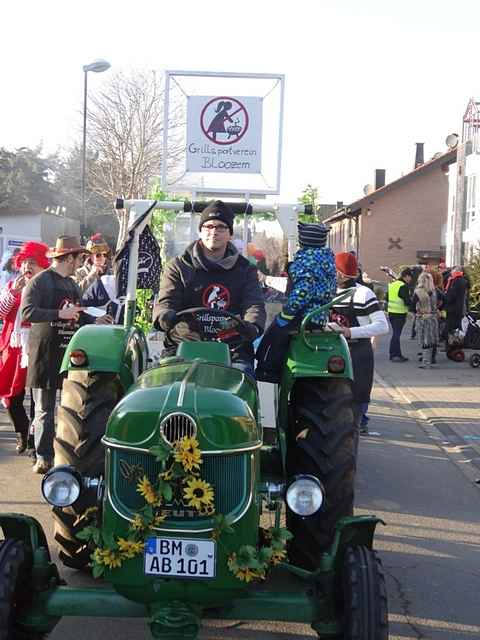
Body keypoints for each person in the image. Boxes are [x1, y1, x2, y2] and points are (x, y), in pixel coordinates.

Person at [21, 236, 112, 474]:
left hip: (67, 352)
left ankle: (65, 454)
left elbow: (77, 313)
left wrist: (95, 319)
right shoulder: (39, 281)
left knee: (70, 407)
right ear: (68, 257)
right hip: (44, 351)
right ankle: (43, 456)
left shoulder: (71, 284)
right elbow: (28, 312)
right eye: (78, 257)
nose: (80, 262)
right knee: (44, 409)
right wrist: (60, 314)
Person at [153, 200, 266, 374]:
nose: (214, 232)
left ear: (230, 234)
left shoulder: (246, 270)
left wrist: (251, 325)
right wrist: (167, 318)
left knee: (242, 379)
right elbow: (166, 302)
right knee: (167, 385)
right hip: (184, 343)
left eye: (221, 227)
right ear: (200, 231)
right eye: (208, 226)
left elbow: (254, 305)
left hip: (232, 348)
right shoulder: (178, 266)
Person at [255, 222, 336, 382]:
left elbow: (302, 292)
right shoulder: (326, 259)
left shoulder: (306, 261)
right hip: (319, 315)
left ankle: (268, 371)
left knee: (275, 333)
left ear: (303, 241)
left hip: (305, 315)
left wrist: (287, 313)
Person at [330, 252, 389, 435]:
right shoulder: (327, 291)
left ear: (340, 273)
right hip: (332, 350)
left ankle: (357, 424)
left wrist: (349, 331)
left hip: (357, 351)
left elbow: (382, 326)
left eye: (334, 270)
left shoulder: (363, 293)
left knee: (358, 394)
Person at [0, 242, 49, 454]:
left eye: (33, 263)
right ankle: (22, 431)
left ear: (42, 266)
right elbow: (1, 313)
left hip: (37, 345)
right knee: (10, 396)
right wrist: (13, 292)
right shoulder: (12, 285)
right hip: (13, 347)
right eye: (25, 263)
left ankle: (32, 437)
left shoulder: (46, 288)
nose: (28, 267)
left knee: (37, 397)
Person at [411, 272, 439, 369]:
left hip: (423, 318)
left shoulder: (418, 292)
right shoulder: (435, 291)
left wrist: (418, 311)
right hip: (433, 318)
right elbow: (444, 300)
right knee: (430, 340)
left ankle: (426, 363)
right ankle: (429, 361)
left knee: (424, 341)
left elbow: (412, 306)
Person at [386, 267, 413, 362]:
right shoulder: (403, 286)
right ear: (406, 276)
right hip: (400, 313)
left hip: (391, 312)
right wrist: (413, 304)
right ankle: (394, 355)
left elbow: (386, 297)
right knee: (396, 335)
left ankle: (396, 354)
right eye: (410, 277)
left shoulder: (393, 284)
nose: (410, 280)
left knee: (395, 334)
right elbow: (407, 301)